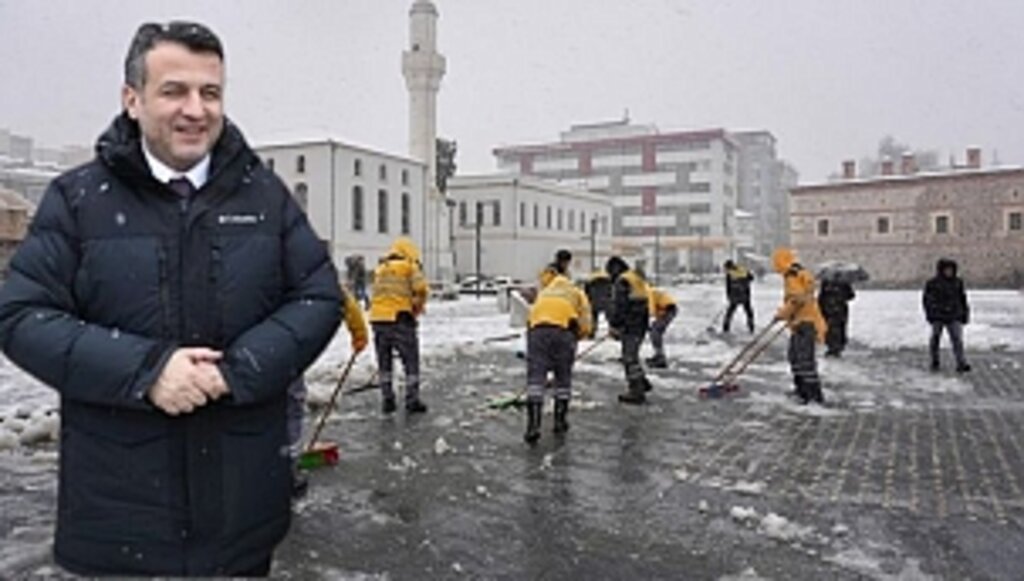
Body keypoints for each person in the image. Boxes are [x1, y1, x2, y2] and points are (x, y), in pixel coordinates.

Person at [0, 21, 342, 576]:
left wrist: (239, 369)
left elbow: (318, 296)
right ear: (131, 99)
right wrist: (148, 371)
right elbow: (21, 316)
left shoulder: (264, 195)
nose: (195, 109)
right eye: (174, 91)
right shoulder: (78, 200)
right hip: (118, 523)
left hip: (239, 521)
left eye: (210, 93)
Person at [288, 289, 368, 497]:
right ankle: (289, 469)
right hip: (286, 351)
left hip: (245, 352)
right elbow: (343, 298)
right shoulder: (302, 265)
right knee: (291, 408)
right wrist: (359, 333)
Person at [523, 270, 592, 443]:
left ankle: (533, 425)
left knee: (536, 376)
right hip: (563, 331)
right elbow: (585, 320)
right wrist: (579, 335)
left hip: (537, 331)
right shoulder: (576, 292)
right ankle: (560, 421)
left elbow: (530, 318)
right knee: (563, 375)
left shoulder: (545, 292)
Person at [370, 237, 429, 414]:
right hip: (400, 318)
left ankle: (387, 399)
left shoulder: (381, 269)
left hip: (378, 319)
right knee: (410, 360)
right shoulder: (409, 266)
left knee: (384, 361)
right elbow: (422, 289)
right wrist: (417, 307)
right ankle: (412, 400)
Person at [772, 249, 827, 405]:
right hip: (802, 321)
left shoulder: (793, 275)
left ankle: (812, 395)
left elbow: (797, 300)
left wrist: (782, 314)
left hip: (805, 323)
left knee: (804, 361)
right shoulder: (798, 273)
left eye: (776, 262)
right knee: (795, 357)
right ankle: (802, 389)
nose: (775, 266)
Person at [605, 256, 652, 404]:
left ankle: (636, 391)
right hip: (640, 323)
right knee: (632, 355)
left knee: (629, 357)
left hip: (630, 325)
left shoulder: (623, 281)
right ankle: (642, 382)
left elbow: (620, 306)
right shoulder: (635, 278)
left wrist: (615, 325)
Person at [923, 258, 971, 372]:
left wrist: (965, 313)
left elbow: (962, 299)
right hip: (938, 315)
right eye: (947, 270)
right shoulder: (933, 283)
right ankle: (935, 360)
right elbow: (927, 300)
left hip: (954, 315)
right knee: (935, 338)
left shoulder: (957, 283)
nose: (949, 272)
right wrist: (931, 313)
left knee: (957, 339)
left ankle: (961, 362)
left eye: (950, 270)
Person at [818, 279, 856, 357]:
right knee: (838, 327)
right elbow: (851, 296)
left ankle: (833, 346)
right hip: (838, 309)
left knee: (832, 328)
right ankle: (836, 346)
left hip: (829, 309)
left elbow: (821, 296)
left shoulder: (826, 282)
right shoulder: (844, 282)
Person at [645, 285, 678, 369]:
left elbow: (650, 309)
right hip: (664, 310)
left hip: (668, 309)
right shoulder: (647, 291)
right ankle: (658, 355)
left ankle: (660, 358)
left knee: (655, 332)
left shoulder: (648, 292)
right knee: (655, 332)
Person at [723, 259, 755, 333]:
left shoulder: (730, 274)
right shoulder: (743, 270)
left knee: (730, 311)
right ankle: (751, 326)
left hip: (735, 296)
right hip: (745, 295)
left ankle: (726, 327)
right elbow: (751, 278)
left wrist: (728, 297)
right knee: (748, 311)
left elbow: (728, 287)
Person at [583, 268, 612, 339]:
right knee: (610, 317)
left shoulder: (590, 280)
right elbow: (611, 291)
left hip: (594, 302)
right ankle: (613, 331)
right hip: (606, 302)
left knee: (593, 316)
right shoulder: (608, 280)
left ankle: (592, 331)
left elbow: (586, 293)